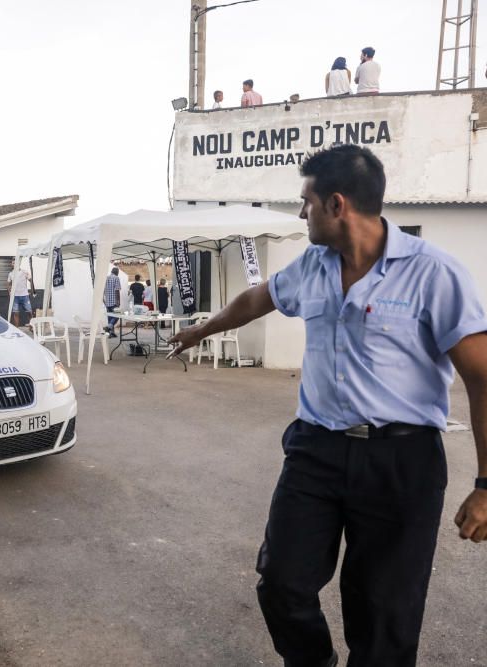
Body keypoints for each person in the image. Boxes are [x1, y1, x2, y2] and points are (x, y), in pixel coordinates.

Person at [168, 144, 487, 667]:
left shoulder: (434, 274)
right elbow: (256, 299)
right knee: (282, 584)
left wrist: (486, 485)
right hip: (315, 450)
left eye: (306, 202)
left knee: (385, 616)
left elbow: (482, 377)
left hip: (401, 463)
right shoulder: (312, 267)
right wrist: (201, 330)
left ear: (336, 205)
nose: (301, 213)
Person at [7, 262, 35, 328]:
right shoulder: (11, 274)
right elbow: (8, 283)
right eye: (13, 263)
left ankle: (31, 327)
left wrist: (32, 290)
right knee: (16, 313)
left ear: (18, 264)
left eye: (15, 262)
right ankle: (17, 328)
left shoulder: (24, 272)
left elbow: (31, 280)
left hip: (25, 295)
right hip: (15, 297)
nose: (14, 264)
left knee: (29, 312)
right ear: (12, 264)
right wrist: (9, 292)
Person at [102, 267, 121, 338]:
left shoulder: (106, 278)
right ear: (117, 272)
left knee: (110, 318)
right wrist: (118, 301)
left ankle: (110, 333)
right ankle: (109, 327)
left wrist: (103, 301)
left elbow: (102, 291)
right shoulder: (116, 278)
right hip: (114, 302)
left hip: (107, 302)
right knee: (117, 315)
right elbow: (117, 290)